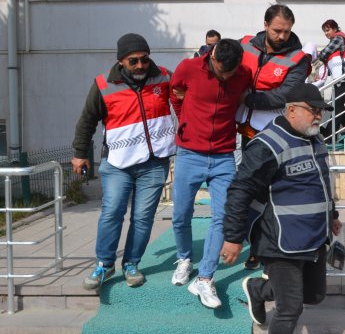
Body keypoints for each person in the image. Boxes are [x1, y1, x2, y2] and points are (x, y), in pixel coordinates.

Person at [221, 84, 342, 334]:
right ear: (292, 110)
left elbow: (322, 181)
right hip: (279, 239)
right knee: (289, 309)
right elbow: (240, 190)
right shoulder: (267, 144)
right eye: (313, 110)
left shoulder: (316, 138)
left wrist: (332, 215)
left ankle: (258, 289)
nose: (319, 116)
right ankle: (264, 292)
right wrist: (233, 237)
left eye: (321, 111)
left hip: (314, 235)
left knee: (314, 295)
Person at [71, 33, 176, 290]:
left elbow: (189, 95)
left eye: (144, 59)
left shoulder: (164, 77)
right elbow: (87, 120)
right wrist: (80, 153)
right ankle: (105, 264)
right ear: (121, 61)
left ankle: (131, 264)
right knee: (112, 213)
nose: (141, 65)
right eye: (133, 61)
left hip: (154, 162)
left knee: (143, 217)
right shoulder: (103, 84)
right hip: (118, 164)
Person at [169, 38, 251, 309]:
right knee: (181, 214)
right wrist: (184, 120)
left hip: (223, 156)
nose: (224, 76)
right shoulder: (188, 68)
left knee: (222, 216)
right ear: (212, 57)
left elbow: (243, 97)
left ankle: (205, 277)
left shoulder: (244, 74)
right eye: (220, 71)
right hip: (189, 153)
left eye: (229, 73)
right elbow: (174, 91)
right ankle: (184, 259)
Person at [237, 4, 309, 270]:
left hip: (272, 135)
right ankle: (249, 240)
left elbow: (284, 95)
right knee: (246, 190)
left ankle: (261, 248)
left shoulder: (298, 59)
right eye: (277, 30)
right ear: (265, 25)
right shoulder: (244, 44)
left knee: (268, 193)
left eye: (287, 31)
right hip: (241, 131)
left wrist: (247, 98)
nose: (282, 36)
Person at [314, 19, 345, 138]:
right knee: (337, 103)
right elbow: (335, 65)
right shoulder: (337, 41)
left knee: (336, 103)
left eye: (328, 30)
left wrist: (315, 57)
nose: (326, 33)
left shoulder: (338, 38)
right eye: (324, 31)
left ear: (335, 29)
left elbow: (325, 53)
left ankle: (330, 134)